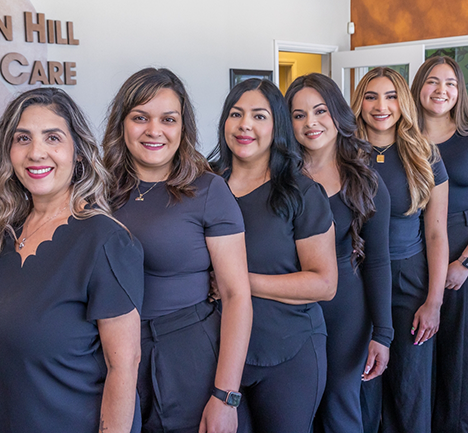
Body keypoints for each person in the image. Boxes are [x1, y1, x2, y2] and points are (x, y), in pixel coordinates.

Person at [102, 67, 252, 433]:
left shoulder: (208, 191)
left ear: (182, 127)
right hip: (110, 355)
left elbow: (236, 296)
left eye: (168, 119)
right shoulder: (98, 189)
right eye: (140, 118)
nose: (155, 130)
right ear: (122, 123)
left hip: (188, 357)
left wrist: (225, 396)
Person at [0, 87, 144, 433]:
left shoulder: (106, 242)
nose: (36, 152)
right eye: (22, 138)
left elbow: (124, 367)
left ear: (78, 152)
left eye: (52, 138)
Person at [209, 78, 337, 433]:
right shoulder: (204, 186)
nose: (245, 124)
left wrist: (240, 284)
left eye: (259, 116)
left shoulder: (301, 192)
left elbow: (324, 283)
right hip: (216, 355)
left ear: (277, 125)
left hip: (288, 352)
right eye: (236, 114)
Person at [285, 73, 392, 433]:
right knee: (296, 407)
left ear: (338, 114)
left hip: (347, 311)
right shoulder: (279, 177)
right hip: (288, 310)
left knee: (338, 407)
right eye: (298, 115)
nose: (310, 123)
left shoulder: (366, 180)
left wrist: (383, 334)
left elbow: (378, 261)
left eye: (320, 111)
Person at [352, 67, 449, 433]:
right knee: (362, 389)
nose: (381, 106)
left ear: (402, 102)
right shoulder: (344, 153)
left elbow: (437, 234)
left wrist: (434, 301)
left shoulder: (425, 154)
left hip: (410, 283)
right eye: (371, 96)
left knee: (409, 391)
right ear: (359, 103)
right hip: (357, 282)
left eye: (390, 96)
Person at [411, 56, 468, 433]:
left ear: (459, 92)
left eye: (450, 83)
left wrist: (465, 263)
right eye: (433, 82)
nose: (441, 91)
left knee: (456, 356)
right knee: (417, 350)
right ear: (418, 88)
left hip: (461, 251)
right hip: (413, 250)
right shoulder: (403, 137)